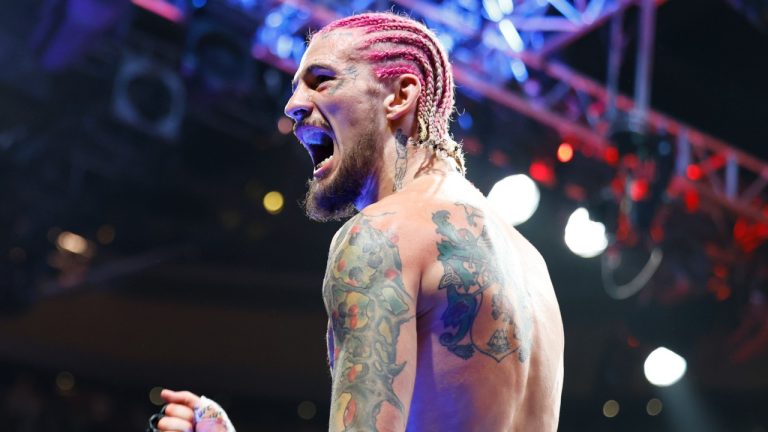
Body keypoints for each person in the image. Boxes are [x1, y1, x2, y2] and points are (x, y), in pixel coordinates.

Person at [156, 11, 564, 432]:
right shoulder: (533, 267)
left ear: (400, 95)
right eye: (297, 88)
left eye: (321, 80)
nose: (293, 106)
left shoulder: (384, 235)